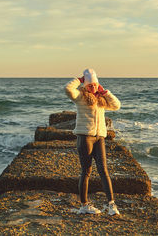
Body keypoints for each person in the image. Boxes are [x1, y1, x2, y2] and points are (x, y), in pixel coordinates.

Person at [64, 68, 121, 215]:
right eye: (90, 85)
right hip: (85, 137)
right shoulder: (80, 96)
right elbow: (68, 89)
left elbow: (117, 105)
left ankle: (111, 204)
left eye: (95, 84)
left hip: (99, 137)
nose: (93, 87)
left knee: (104, 170)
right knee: (86, 171)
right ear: (86, 85)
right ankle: (84, 205)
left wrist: (105, 92)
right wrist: (80, 80)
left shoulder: (102, 100)